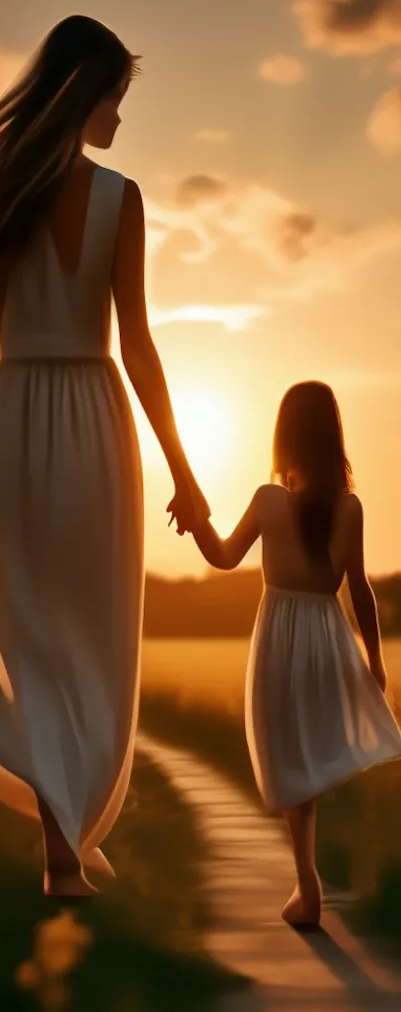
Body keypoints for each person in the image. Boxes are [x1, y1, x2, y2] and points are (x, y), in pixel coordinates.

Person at [0, 15, 209, 898]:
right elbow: (141, 348)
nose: (120, 120)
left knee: (34, 633)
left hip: (11, 417)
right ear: (87, 92)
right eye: (116, 99)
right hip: (94, 419)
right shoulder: (121, 198)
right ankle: (63, 846)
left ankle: (61, 841)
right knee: (88, 633)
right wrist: (183, 472)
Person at [170, 381, 401, 927]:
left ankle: (307, 885)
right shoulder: (351, 508)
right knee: (305, 756)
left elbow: (223, 556)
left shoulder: (268, 501)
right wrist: (376, 658)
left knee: (286, 754)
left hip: (279, 637)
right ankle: (307, 884)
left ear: (286, 439)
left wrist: (196, 521)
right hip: (327, 640)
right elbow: (360, 591)